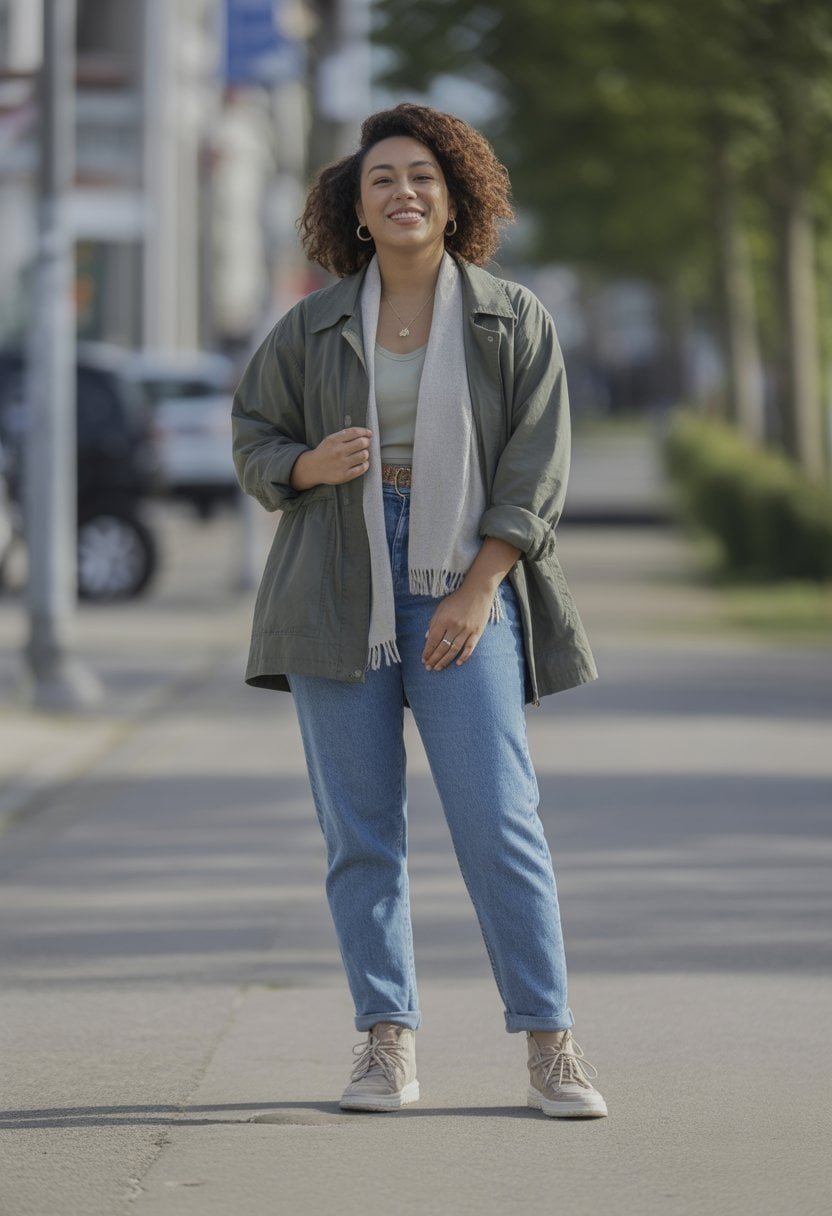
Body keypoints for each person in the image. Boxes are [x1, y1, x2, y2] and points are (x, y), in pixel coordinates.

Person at [232, 103, 607, 1119]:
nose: (404, 192)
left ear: (455, 198)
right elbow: (254, 434)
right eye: (382, 180)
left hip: (462, 578)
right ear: (355, 210)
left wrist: (480, 589)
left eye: (423, 177)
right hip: (333, 585)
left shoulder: (511, 318)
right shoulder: (309, 325)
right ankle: (384, 1041)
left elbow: (536, 469)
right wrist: (305, 465)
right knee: (361, 833)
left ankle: (551, 1044)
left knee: (499, 819)